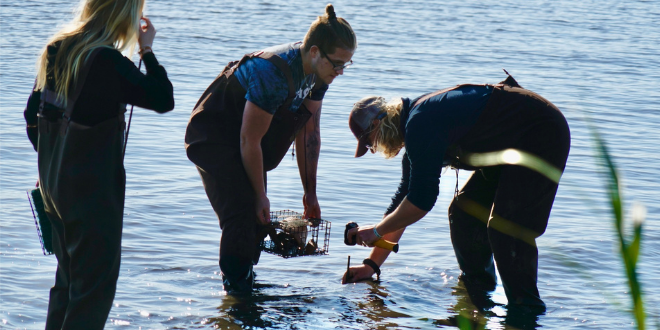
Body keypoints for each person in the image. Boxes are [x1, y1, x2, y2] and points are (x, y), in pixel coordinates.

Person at [343, 74, 570, 314]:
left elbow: (420, 202)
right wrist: (370, 266)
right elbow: (405, 202)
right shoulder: (413, 127)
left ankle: (525, 313)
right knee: (464, 213)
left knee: (506, 229)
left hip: (541, 133)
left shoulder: (420, 124)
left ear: (378, 124)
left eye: (370, 144)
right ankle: (477, 299)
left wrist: (376, 230)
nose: (374, 150)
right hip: (508, 145)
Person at [184, 4, 357, 293]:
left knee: (257, 218)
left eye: (346, 65)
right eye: (337, 63)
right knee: (241, 214)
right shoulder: (273, 73)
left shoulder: (319, 74)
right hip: (213, 136)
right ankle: (237, 300)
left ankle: (245, 285)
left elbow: (309, 133)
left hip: (246, 140)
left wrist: (310, 192)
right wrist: (261, 194)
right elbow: (248, 140)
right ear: (314, 51)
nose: (340, 72)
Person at [23, 0, 174, 327]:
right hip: (91, 196)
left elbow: (32, 116)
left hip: (53, 189)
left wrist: (54, 162)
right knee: (93, 290)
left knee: (66, 283)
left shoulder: (56, 49)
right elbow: (163, 98)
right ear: (125, 14)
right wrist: (146, 50)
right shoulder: (106, 60)